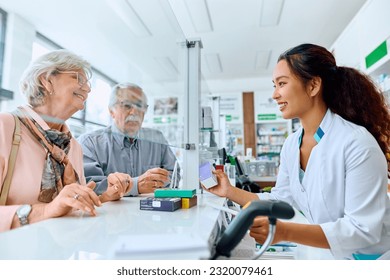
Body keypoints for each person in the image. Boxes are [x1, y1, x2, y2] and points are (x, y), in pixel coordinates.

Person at [205, 43, 390, 259]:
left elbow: (362, 231)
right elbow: (281, 200)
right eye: (274, 85)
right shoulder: (292, 144)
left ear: (313, 86)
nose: (275, 94)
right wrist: (229, 191)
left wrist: (284, 232)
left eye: (281, 83)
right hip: (329, 255)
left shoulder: (356, 143)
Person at [0, 50, 132, 232]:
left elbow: (72, 207)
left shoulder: (72, 146)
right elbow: (54, 210)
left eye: (87, 82)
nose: (87, 89)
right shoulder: (4, 127)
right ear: (46, 80)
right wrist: (46, 210)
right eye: (77, 78)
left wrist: (105, 197)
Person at [78, 82, 178, 196]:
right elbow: (91, 185)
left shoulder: (157, 139)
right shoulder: (90, 143)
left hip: (155, 211)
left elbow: (175, 174)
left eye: (140, 106)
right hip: (112, 213)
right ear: (112, 111)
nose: (134, 112)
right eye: (127, 105)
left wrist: (156, 181)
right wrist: (136, 186)